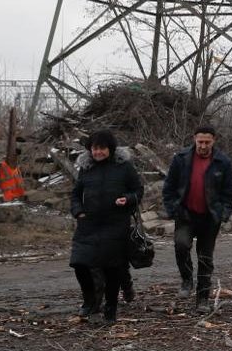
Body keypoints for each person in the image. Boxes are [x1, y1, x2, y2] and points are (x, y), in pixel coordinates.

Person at [70, 130, 143, 324]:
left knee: (112, 269)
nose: (98, 152)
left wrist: (127, 199)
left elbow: (138, 191)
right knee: (79, 263)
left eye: (102, 148)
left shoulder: (124, 167)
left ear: (110, 148)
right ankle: (90, 301)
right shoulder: (86, 168)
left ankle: (110, 310)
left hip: (115, 224)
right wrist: (78, 211)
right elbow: (76, 194)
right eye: (94, 148)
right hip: (89, 224)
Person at [162, 126, 232, 313]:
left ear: (214, 140)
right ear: (194, 139)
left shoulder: (223, 162)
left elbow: (229, 193)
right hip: (185, 214)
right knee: (181, 245)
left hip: (210, 217)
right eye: (200, 142)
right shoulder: (181, 159)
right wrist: (172, 209)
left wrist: (223, 214)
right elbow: (169, 187)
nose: (203, 146)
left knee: (205, 258)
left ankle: (202, 299)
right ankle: (187, 279)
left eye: (207, 142)